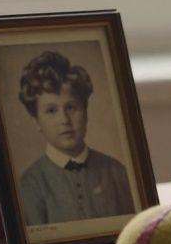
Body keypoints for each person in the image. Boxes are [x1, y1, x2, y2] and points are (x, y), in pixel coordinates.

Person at [17, 50, 135, 225]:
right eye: (51, 111)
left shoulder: (117, 172)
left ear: (85, 112)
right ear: (36, 122)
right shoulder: (31, 185)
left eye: (71, 108)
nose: (64, 120)